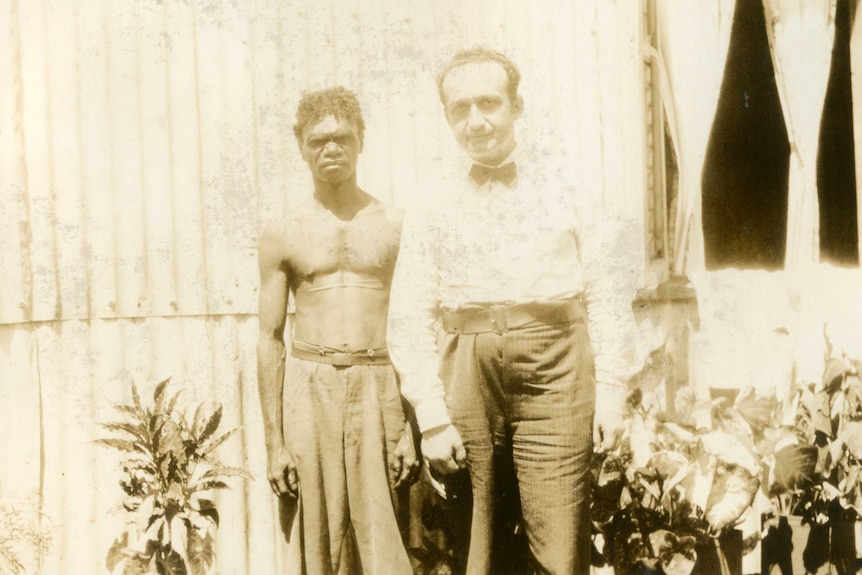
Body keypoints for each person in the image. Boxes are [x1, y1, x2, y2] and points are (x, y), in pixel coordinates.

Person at [387, 47, 635, 574]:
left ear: (516, 106)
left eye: (488, 103)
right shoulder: (431, 198)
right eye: (460, 109)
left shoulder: (569, 182)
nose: (475, 121)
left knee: (558, 545)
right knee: (478, 548)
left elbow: (608, 294)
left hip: (556, 368)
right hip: (468, 372)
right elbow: (409, 314)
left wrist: (612, 393)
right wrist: (431, 419)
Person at [257, 86, 418, 575]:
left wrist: (410, 425)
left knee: (387, 533)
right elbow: (269, 339)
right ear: (300, 145)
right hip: (309, 388)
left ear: (361, 140)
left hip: (379, 385)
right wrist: (274, 443)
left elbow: (416, 326)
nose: (331, 149)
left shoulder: (395, 225)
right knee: (315, 535)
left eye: (342, 138)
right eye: (318, 140)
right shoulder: (283, 230)